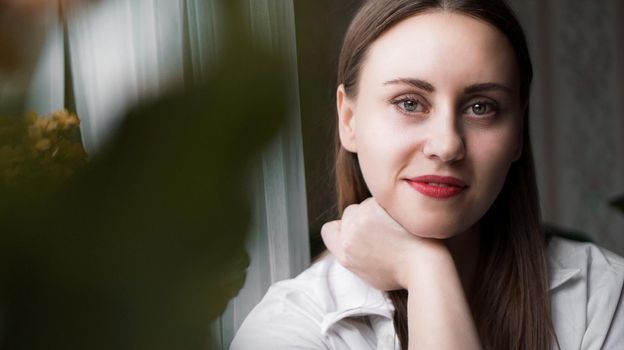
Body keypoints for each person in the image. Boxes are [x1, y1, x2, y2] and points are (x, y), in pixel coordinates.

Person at [230, 0, 624, 349]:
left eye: (482, 107)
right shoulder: (289, 329)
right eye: (408, 102)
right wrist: (426, 269)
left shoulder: (603, 296)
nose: (447, 144)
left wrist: (422, 268)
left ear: (518, 132)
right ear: (348, 119)